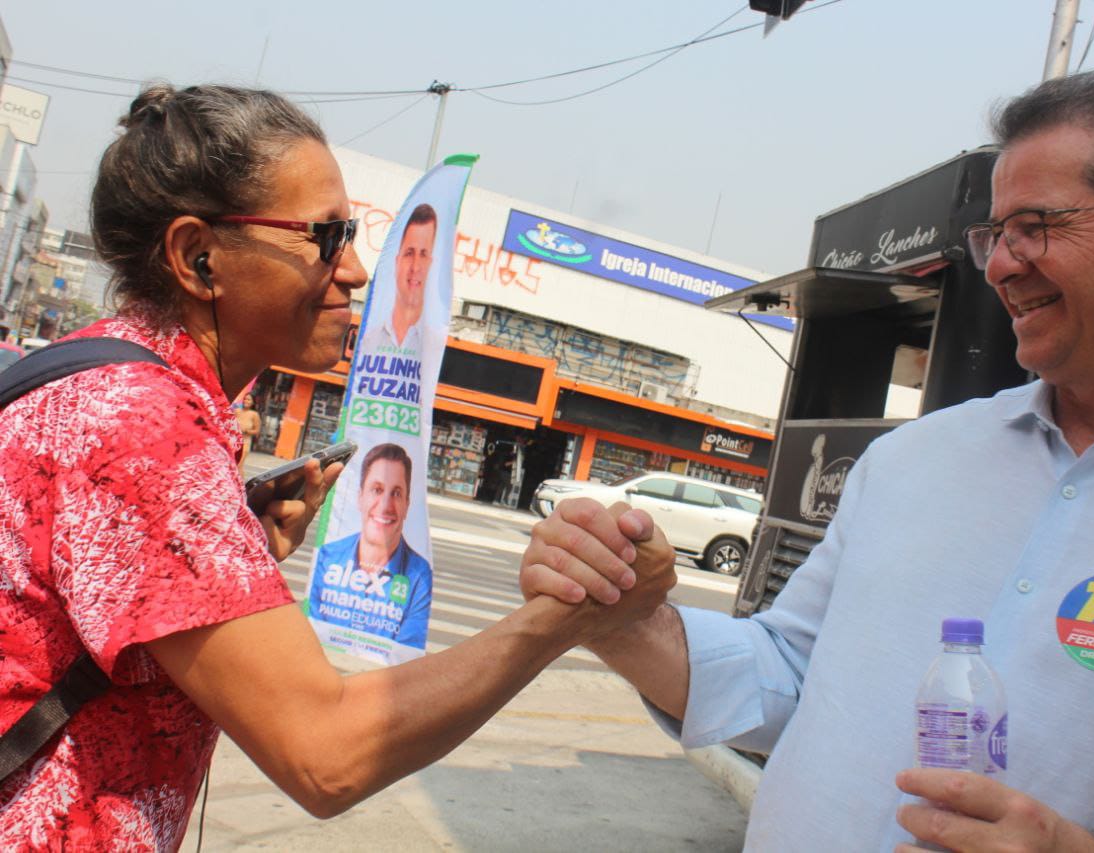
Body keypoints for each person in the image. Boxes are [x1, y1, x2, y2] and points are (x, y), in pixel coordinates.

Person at [522, 69, 1094, 851]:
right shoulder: (916, 459)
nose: (1001, 265)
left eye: (1038, 225)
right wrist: (619, 618)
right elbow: (787, 670)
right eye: (995, 234)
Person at [0, 84, 674, 851]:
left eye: (351, 235)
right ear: (198, 257)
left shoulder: (114, 385)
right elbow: (325, 752)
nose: (353, 270)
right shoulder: (143, 428)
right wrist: (567, 617)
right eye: (325, 237)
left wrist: (233, 547)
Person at [309, 443, 432, 648]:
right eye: (377, 490)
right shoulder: (328, 556)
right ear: (360, 497)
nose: (385, 506)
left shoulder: (419, 576)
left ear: (407, 505)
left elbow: (404, 655)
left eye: (396, 493)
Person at [360, 203, 436, 356]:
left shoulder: (433, 346)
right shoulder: (369, 335)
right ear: (397, 260)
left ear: (431, 262)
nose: (415, 267)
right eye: (409, 253)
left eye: (423, 254)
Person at [235, 392, 261, 469]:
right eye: (245, 399)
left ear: (253, 402)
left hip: (245, 443)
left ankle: (241, 481)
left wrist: (246, 431)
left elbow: (257, 430)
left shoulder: (254, 414)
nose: (246, 401)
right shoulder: (237, 411)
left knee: (238, 466)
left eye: (248, 399)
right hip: (233, 442)